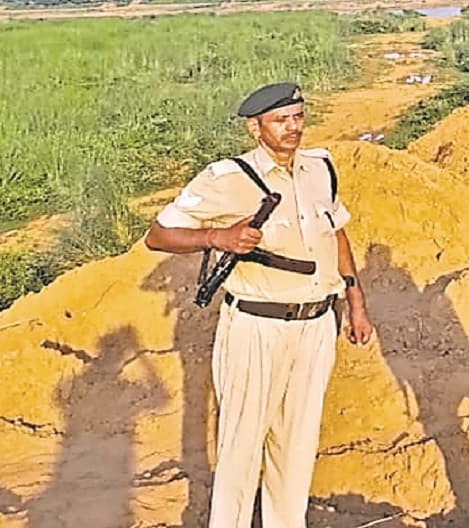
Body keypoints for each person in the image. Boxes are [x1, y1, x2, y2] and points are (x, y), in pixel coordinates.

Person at [144, 82, 374, 528]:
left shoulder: (319, 168)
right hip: (256, 327)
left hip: (316, 324)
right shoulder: (225, 178)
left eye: (298, 117)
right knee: (242, 446)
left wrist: (355, 296)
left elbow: (337, 233)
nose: (292, 129)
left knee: (297, 445)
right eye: (280, 121)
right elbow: (159, 235)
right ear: (255, 127)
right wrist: (217, 237)